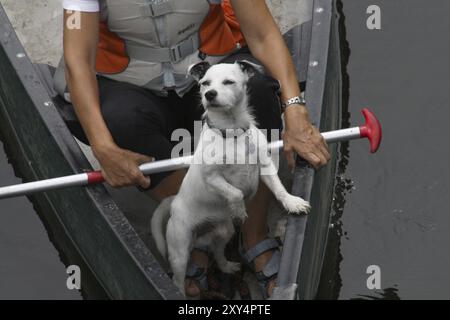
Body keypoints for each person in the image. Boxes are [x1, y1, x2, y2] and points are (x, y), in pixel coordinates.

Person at [59, 0, 330, 298]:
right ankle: (200, 236)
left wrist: (294, 110)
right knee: (119, 124)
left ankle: (253, 236)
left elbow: (263, 34)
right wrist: (102, 146)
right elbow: (79, 60)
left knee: (257, 94)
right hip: (129, 86)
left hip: (210, 70)